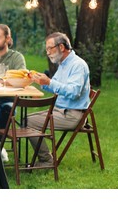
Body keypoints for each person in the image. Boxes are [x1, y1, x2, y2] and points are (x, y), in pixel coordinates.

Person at [28, 32, 90, 166]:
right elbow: (56, 87)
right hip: (60, 111)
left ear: (61, 47)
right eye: (46, 49)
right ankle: (45, 158)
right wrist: (41, 81)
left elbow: (74, 92)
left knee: (28, 122)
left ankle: (46, 160)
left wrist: (49, 82)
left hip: (73, 115)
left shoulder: (78, 65)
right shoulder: (64, 64)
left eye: (50, 48)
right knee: (25, 119)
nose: (48, 52)